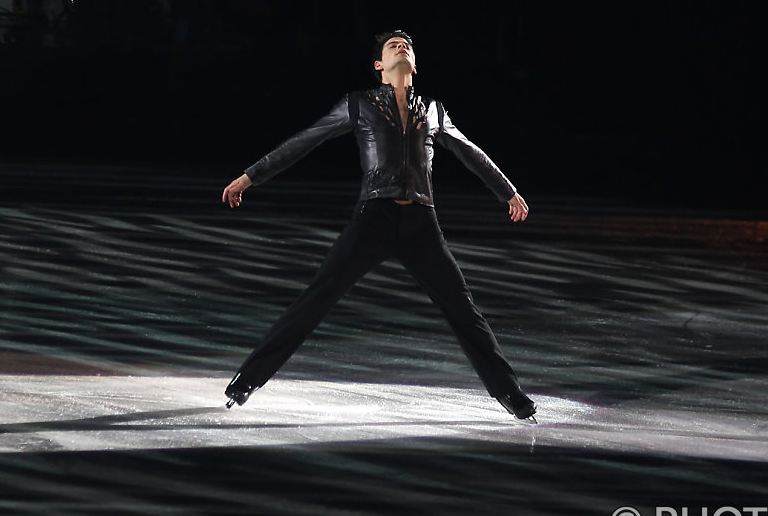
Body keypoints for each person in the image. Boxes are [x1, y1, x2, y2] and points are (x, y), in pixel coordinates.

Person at [220, 30, 537, 421]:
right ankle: (247, 380)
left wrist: (507, 191)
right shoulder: (359, 104)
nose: (401, 47)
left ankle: (508, 392)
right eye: (392, 46)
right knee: (315, 299)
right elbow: (304, 141)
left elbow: (472, 152)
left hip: (421, 222)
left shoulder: (434, 110)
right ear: (379, 67)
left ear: (414, 65)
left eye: (407, 45)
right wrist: (250, 176)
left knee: (463, 308)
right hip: (374, 219)